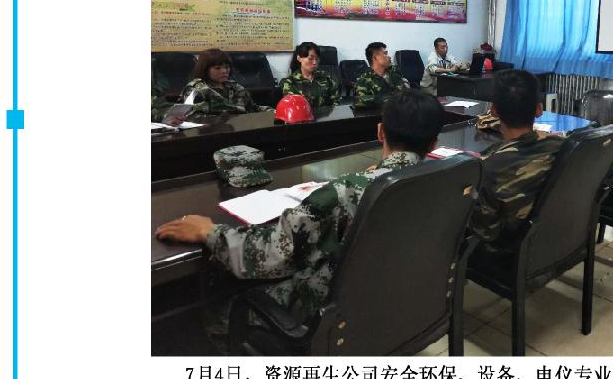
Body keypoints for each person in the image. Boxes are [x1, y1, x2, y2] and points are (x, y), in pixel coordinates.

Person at [156, 89, 445, 330]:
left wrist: (209, 231)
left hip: (325, 319)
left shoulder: (343, 193)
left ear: (380, 131)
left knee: (215, 301)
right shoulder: (448, 179)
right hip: (399, 304)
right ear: (434, 143)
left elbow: (270, 254)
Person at [469, 70, 565, 242]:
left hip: (507, 249)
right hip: (552, 238)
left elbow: (484, 232)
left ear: (493, 110)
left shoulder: (489, 168)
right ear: (539, 109)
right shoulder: (562, 147)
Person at [179, 49, 266, 116]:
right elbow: (195, 118)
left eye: (227, 67)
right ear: (205, 69)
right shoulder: (195, 89)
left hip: (241, 128)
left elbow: (253, 108)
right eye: (217, 68)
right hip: (213, 131)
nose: (224, 71)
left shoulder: (235, 86)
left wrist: (272, 112)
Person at [279, 42, 340, 108]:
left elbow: (336, 102)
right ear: (299, 58)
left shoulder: (326, 77)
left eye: (317, 59)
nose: (315, 62)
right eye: (310, 59)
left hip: (327, 114)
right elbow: (294, 106)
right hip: (302, 114)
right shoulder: (289, 82)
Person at [353, 42, 410, 109]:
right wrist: (391, 99)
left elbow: (407, 94)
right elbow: (360, 101)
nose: (389, 57)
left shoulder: (394, 72)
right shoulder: (364, 80)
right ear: (375, 58)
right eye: (385, 53)